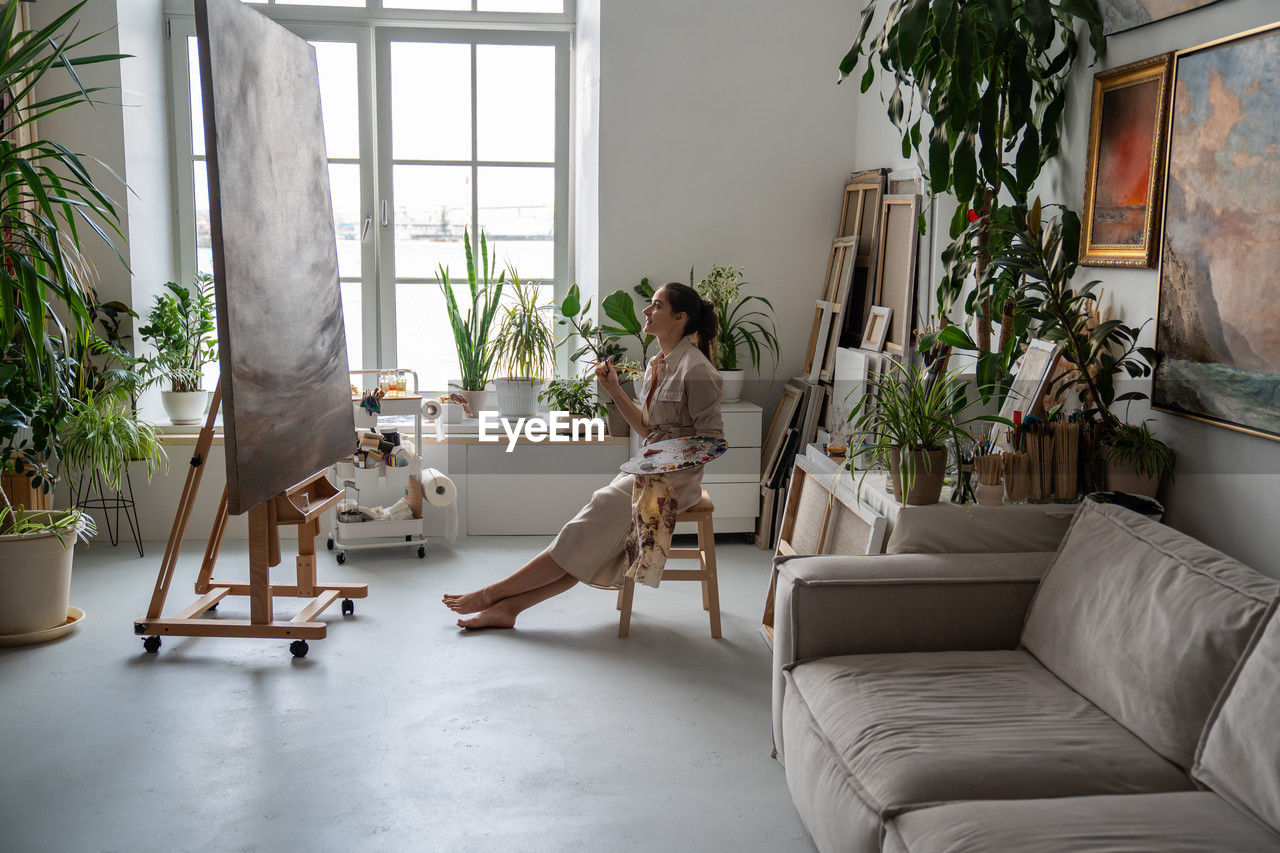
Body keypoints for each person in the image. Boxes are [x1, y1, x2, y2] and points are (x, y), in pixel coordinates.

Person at [442, 281, 724, 629]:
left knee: (592, 519)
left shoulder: (697, 371)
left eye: (657, 305)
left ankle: (491, 595)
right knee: (590, 537)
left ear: (679, 317)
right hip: (647, 468)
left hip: (675, 481)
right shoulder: (656, 364)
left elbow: (712, 442)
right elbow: (647, 428)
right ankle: (508, 609)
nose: (646, 311)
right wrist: (613, 389)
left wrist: (661, 462)